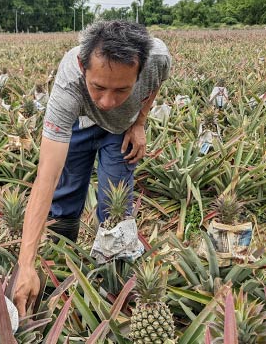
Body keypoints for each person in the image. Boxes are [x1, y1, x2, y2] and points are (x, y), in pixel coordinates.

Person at [13, 20, 171, 317]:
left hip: (120, 130)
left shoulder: (157, 59)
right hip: (78, 125)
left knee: (115, 207)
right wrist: (25, 263)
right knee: (65, 195)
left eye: (122, 89)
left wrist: (139, 123)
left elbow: (154, 87)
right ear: (81, 66)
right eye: (98, 87)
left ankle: (112, 283)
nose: (108, 101)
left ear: (141, 69)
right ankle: (57, 264)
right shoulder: (68, 83)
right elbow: (46, 175)